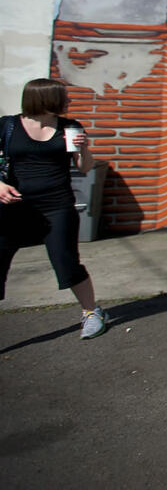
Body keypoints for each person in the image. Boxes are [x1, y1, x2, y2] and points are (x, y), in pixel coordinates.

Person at [0, 78, 109, 339]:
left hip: (57, 206)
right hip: (13, 207)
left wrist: (84, 148)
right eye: (64, 97)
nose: (69, 101)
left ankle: (91, 312)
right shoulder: (7, 126)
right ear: (45, 99)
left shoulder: (69, 127)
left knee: (65, 261)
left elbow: (83, 168)